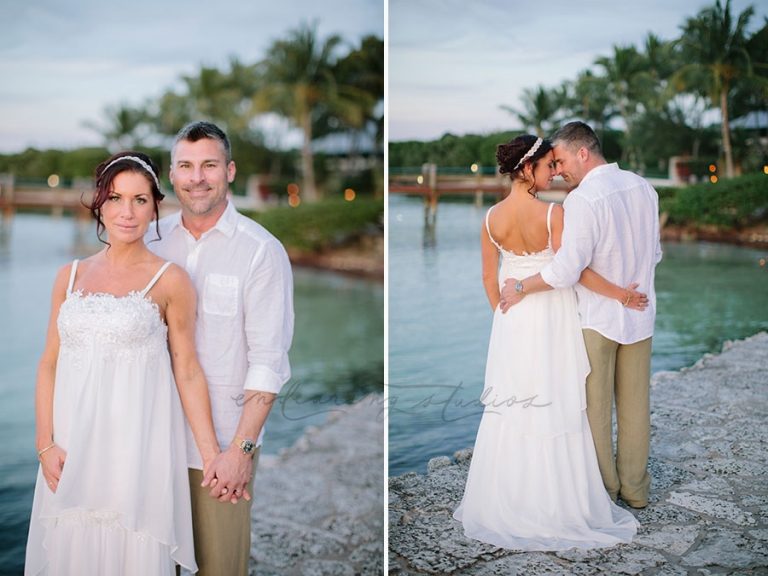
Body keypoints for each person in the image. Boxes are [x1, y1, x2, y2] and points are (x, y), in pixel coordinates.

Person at [26, 152, 220, 575]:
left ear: (155, 207)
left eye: (139, 200)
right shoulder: (69, 275)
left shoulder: (171, 280)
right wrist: (45, 444)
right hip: (71, 451)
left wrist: (212, 456)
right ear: (100, 203)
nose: (126, 212)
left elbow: (186, 369)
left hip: (136, 455)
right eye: (115, 198)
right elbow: (48, 364)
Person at [453, 134, 641, 551]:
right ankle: (559, 503)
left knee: (514, 402)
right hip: (551, 316)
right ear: (527, 169)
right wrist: (621, 294)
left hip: (512, 318)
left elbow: (489, 278)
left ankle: (510, 498)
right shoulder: (554, 214)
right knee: (555, 399)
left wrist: (502, 318)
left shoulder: (490, 219)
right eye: (545, 166)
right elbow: (572, 272)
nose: (552, 172)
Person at [145, 121, 294, 576]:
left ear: (229, 170)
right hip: (148, 440)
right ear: (171, 175)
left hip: (220, 451)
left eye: (209, 165)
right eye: (186, 166)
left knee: (220, 567)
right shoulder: (149, 240)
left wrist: (241, 450)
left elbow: (269, 362)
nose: (197, 177)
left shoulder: (260, 251)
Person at [499, 121, 662, 509]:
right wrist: (630, 290)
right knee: (637, 406)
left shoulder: (583, 199)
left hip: (597, 319)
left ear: (582, 152)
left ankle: (605, 492)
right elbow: (655, 255)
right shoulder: (645, 188)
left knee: (596, 410)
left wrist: (520, 287)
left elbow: (566, 270)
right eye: (551, 164)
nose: (558, 171)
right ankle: (636, 491)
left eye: (560, 161)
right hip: (640, 313)